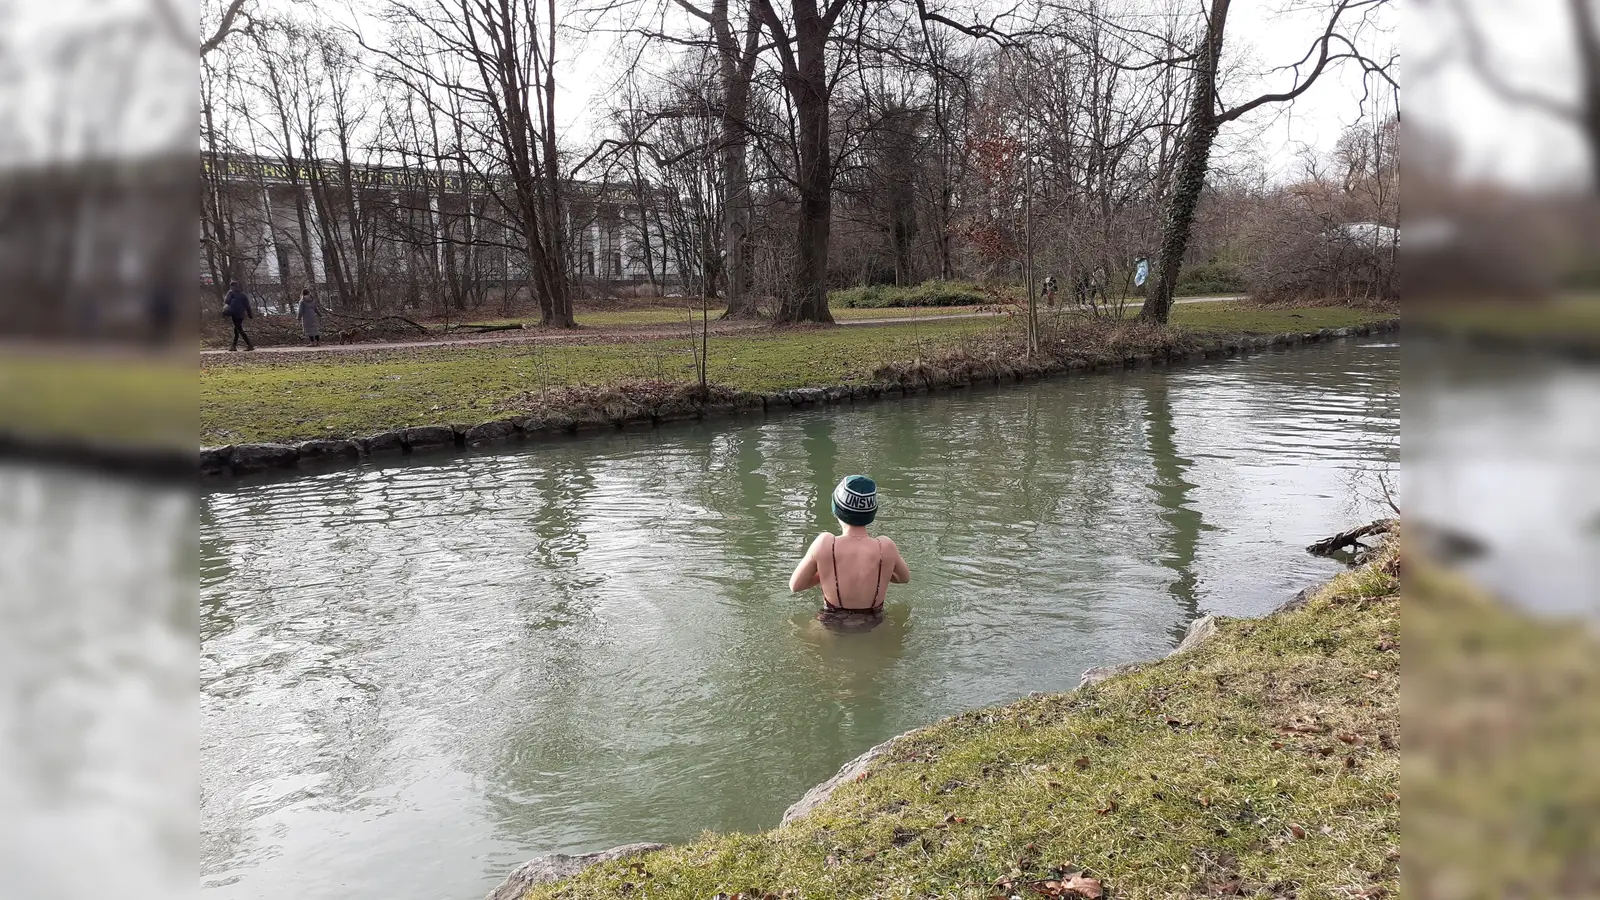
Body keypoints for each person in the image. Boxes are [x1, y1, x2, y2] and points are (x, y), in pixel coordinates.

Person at [789, 475, 911, 631]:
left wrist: (828, 573)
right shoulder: (885, 547)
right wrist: (878, 572)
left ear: (836, 510)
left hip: (831, 621)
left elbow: (796, 586)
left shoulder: (825, 543)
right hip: (875, 621)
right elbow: (904, 579)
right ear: (872, 513)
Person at [222, 281, 254, 351]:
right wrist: (250, 314)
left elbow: (227, 301)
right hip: (241, 314)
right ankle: (233, 346)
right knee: (236, 329)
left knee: (239, 329)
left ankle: (249, 345)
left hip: (234, 313)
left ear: (231, 286)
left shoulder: (230, 292)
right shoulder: (243, 294)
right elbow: (247, 306)